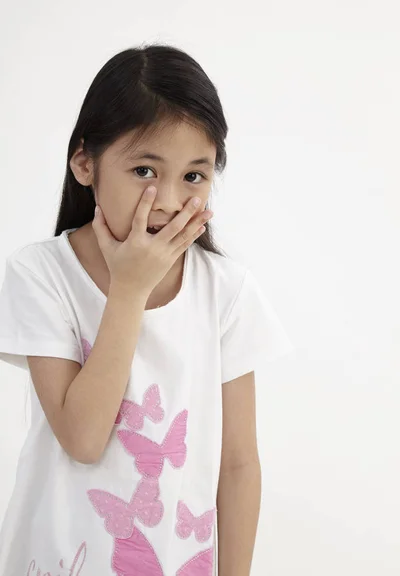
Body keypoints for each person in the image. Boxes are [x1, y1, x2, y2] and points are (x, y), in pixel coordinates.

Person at [0, 44, 294, 576]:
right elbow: (83, 439)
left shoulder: (226, 291)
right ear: (85, 163)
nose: (168, 200)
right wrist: (129, 291)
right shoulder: (39, 274)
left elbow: (238, 464)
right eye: (143, 170)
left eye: (194, 176)